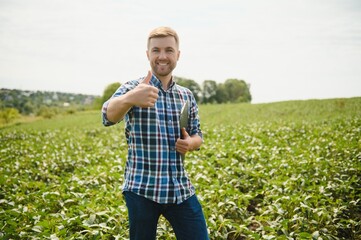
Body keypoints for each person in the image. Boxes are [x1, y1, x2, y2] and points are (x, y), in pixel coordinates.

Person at [102, 26, 209, 240]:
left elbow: (197, 135)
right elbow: (108, 116)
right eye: (156, 50)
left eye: (169, 50)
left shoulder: (186, 95)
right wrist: (130, 99)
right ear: (148, 54)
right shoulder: (134, 88)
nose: (162, 56)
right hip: (141, 189)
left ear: (177, 55)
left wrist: (190, 143)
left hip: (179, 188)